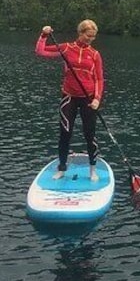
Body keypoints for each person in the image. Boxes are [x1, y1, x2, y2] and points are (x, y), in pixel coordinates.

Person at [35, 20, 105, 180]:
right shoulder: (66, 48)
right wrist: (44, 35)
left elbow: (99, 79)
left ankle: (92, 169)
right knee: (65, 133)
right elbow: (41, 51)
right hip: (69, 97)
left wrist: (97, 99)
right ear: (80, 33)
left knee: (90, 134)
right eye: (88, 36)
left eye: (93, 37)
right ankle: (61, 168)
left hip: (88, 99)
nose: (90, 39)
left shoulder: (95, 54)